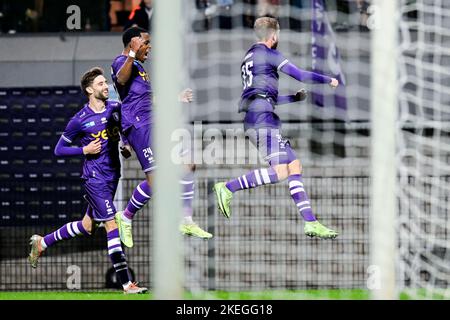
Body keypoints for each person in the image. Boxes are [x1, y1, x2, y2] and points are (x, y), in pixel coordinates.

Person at [213, 17, 339, 239]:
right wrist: (329, 79)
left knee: (294, 165)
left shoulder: (248, 57)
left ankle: (311, 222)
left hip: (259, 114)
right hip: (262, 119)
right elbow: (300, 75)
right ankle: (227, 187)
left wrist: (293, 98)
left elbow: (261, 96)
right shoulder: (269, 54)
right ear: (274, 35)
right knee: (281, 171)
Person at [28, 67, 147, 294]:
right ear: (89, 89)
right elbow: (59, 149)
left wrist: (124, 143)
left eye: (106, 83)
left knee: (87, 226)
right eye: (101, 84)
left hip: (112, 176)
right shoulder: (80, 120)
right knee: (111, 225)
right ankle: (126, 284)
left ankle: (42, 243)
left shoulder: (115, 108)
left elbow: (124, 126)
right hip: (95, 179)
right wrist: (84, 149)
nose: (106, 87)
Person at [111, 26, 212, 248]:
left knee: (188, 164)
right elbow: (120, 79)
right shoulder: (122, 62)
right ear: (133, 43)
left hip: (154, 124)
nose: (149, 47)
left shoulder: (138, 67)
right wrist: (130, 54)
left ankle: (185, 220)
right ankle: (126, 216)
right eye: (145, 43)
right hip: (138, 127)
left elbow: (146, 99)